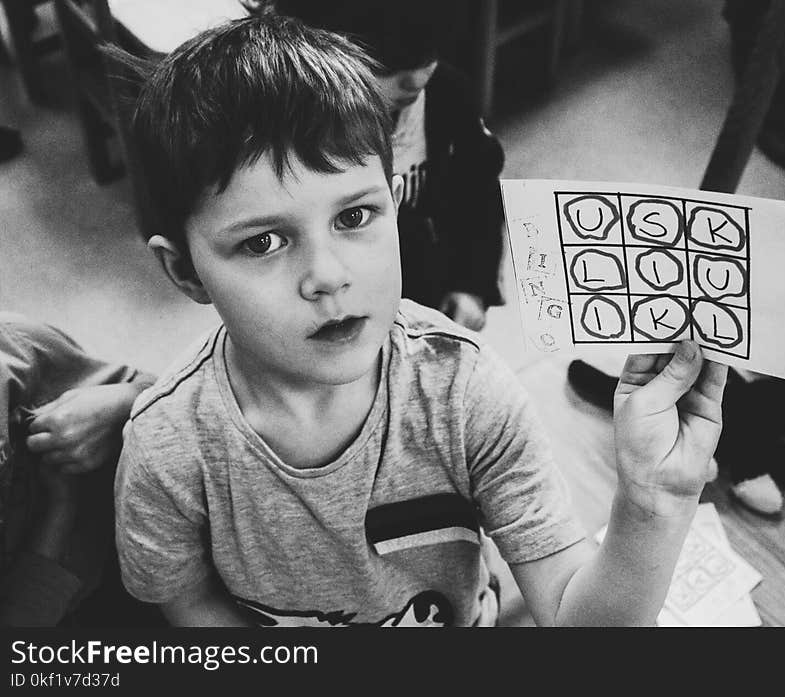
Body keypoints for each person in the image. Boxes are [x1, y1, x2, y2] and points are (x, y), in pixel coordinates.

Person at [113, 16, 727, 627]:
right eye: (263, 242)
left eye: (353, 217)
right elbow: (190, 603)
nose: (327, 275)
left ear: (395, 195)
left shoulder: (467, 394)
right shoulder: (167, 450)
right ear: (186, 271)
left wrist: (653, 502)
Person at [258, 0, 504, 332]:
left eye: (429, 54)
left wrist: (472, 284)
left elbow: (479, 195)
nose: (416, 79)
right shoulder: (285, 133)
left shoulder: (447, 94)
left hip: (427, 295)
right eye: (388, 65)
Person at [0, 313, 156, 626]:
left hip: (147, 522)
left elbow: (175, 392)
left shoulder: (16, 353)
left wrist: (125, 404)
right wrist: (58, 511)